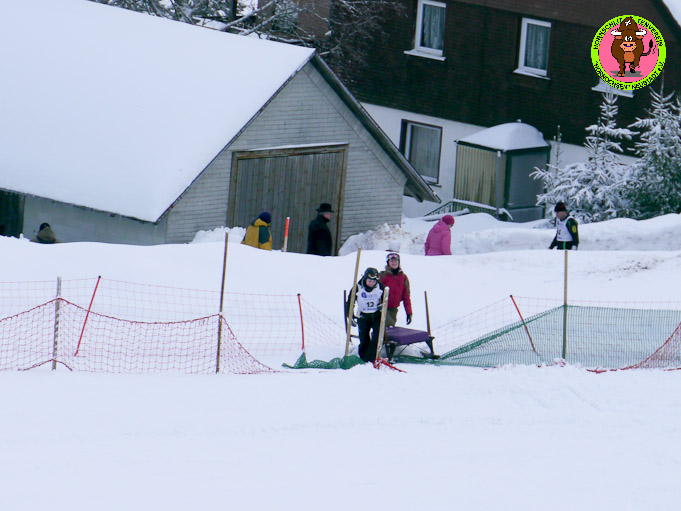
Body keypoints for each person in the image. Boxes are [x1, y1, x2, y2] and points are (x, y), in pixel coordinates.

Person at [346, 267, 385, 362]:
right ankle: (363, 358)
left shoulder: (380, 286)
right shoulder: (358, 287)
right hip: (363, 316)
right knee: (364, 338)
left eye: (373, 281)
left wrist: (382, 305)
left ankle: (371, 358)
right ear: (365, 279)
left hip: (376, 315)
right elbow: (350, 302)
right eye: (369, 281)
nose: (371, 283)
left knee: (377, 337)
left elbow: (386, 299)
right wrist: (350, 315)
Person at [379, 245, 413, 327]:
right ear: (388, 262)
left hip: (393, 309)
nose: (394, 263)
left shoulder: (403, 277)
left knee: (389, 329)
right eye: (392, 261)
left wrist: (409, 312)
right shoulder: (383, 276)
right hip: (383, 308)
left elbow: (406, 297)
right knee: (387, 327)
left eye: (396, 261)